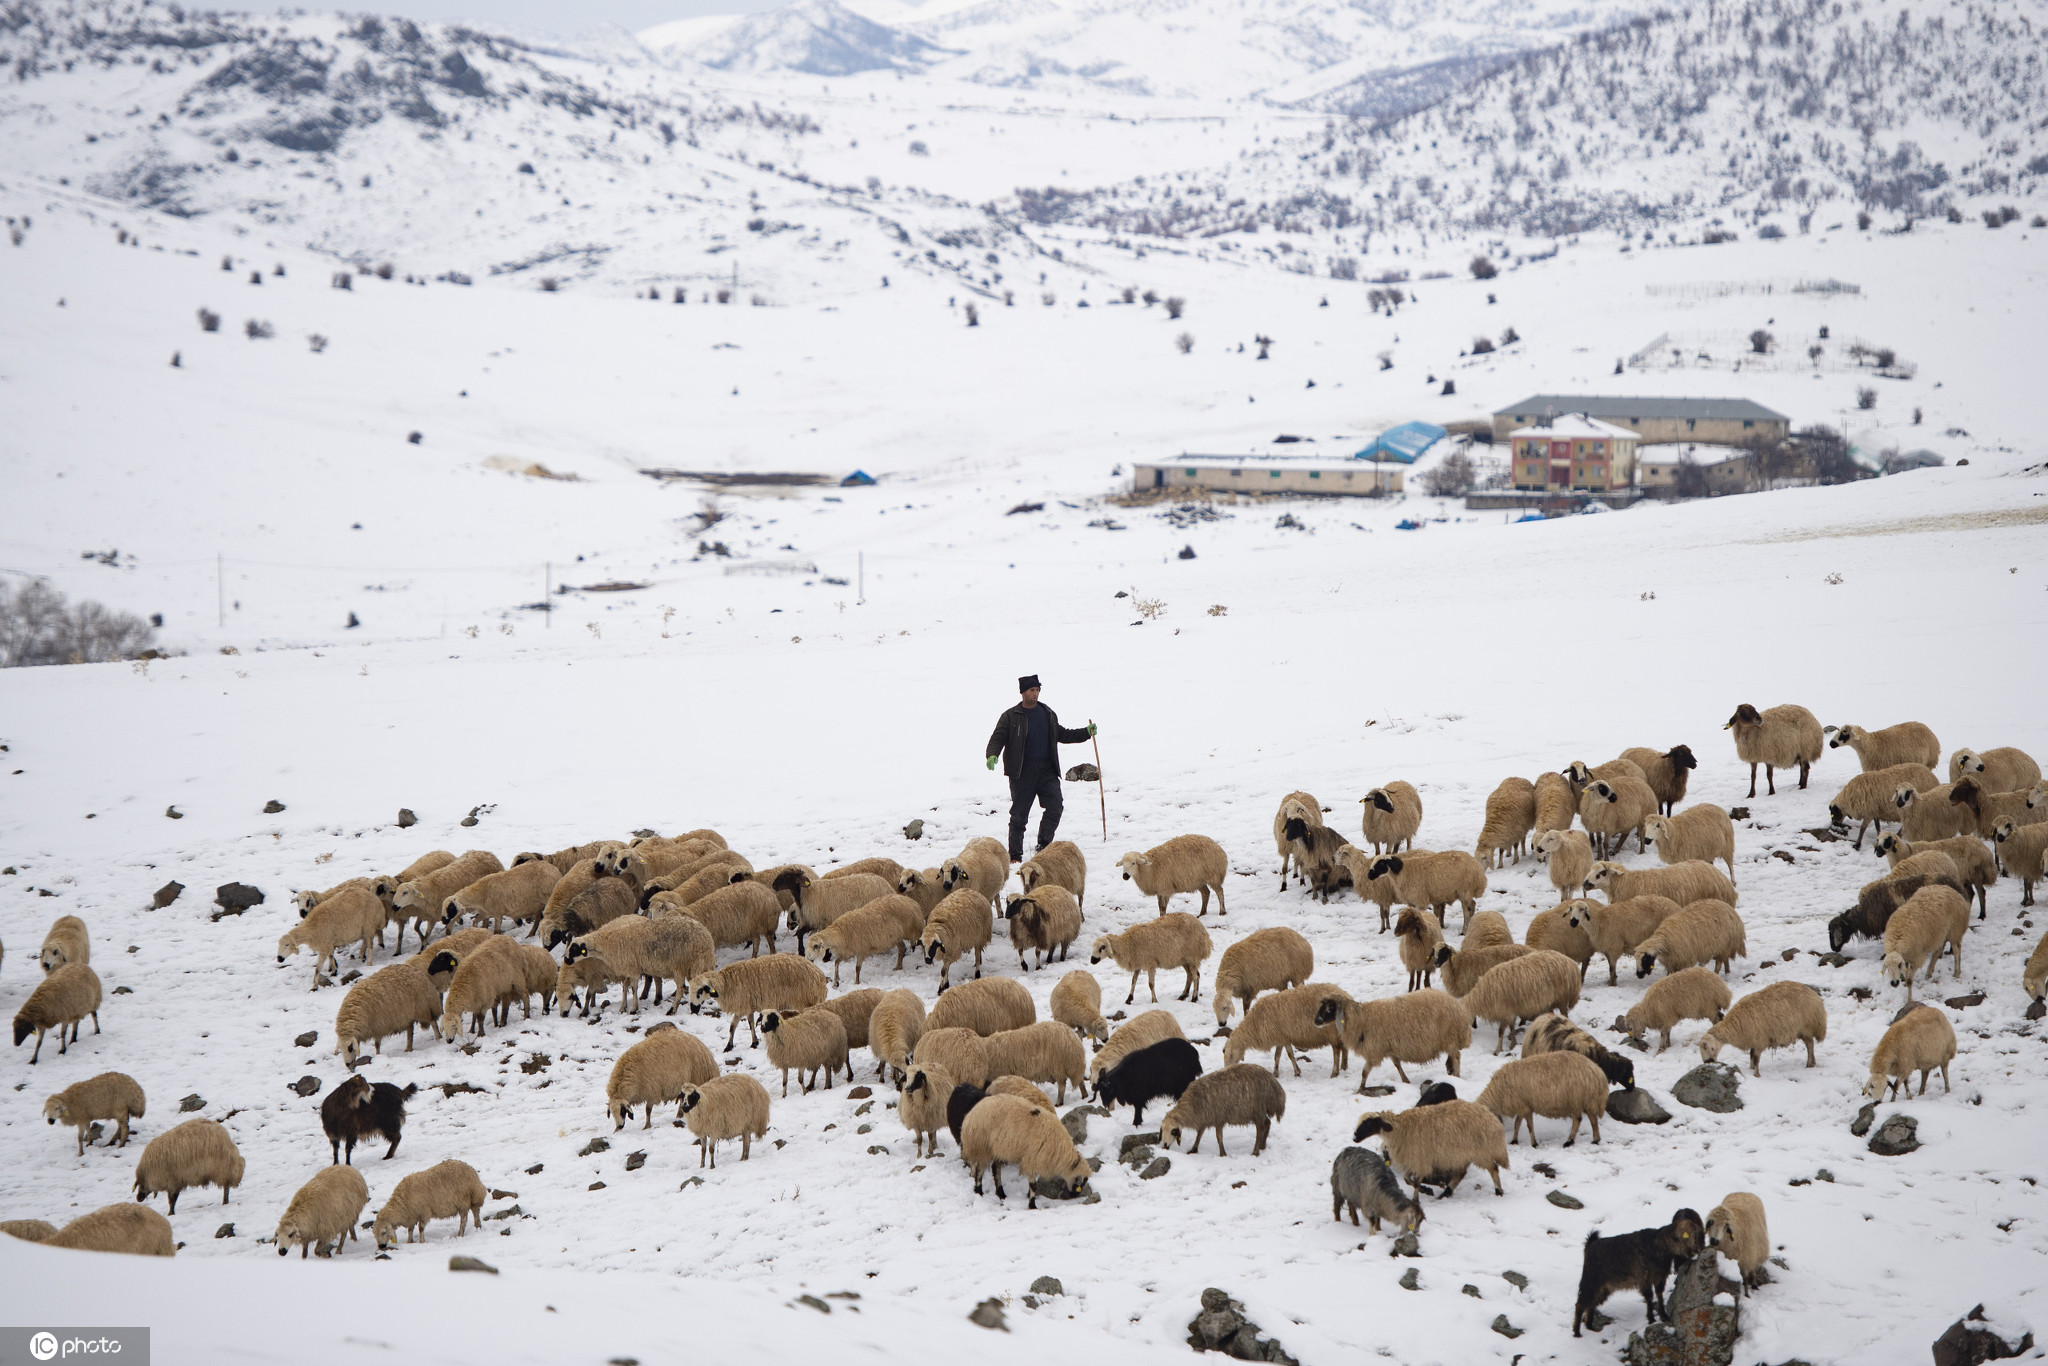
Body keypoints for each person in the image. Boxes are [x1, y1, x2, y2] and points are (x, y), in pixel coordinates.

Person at [985, 675, 1096, 863]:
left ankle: (1043, 846)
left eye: (1037, 690)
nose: (1035, 694)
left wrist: (1085, 733)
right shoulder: (1011, 716)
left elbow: (1062, 734)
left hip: (1047, 770)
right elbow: (998, 738)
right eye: (1031, 690)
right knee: (1019, 815)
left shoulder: (1047, 713)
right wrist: (992, 754)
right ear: (1023, 692)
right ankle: (1015, 856)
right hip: (1022, 773)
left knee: (1055, 806)